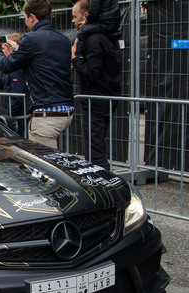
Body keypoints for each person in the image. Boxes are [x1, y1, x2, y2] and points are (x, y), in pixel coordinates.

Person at [0, 0, 74, 148]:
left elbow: (6, 65)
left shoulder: (32, 39)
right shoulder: (64, 40)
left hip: (46, 114)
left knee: (44, 164)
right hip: (66, 110)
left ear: (32, 17)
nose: (26, 22)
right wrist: (18, 50)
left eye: (25, 18)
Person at [71, 0, 122, 170]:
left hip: (95, 101)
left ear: (86, 15)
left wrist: (75, 59)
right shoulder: (108, 37)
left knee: (95, 153)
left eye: (75, 16)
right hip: (103, 99)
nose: (73, 21)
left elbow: (91, 72)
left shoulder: (95, 39)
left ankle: (105, 190)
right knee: (96, 150)